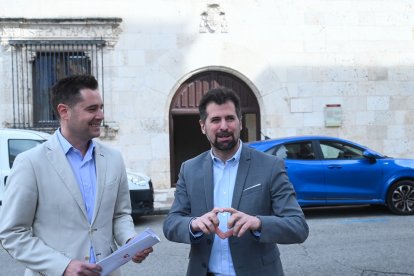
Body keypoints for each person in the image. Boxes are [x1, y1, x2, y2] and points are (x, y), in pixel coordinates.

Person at [0, 75, 153, 276]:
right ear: (64, 111)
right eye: (92, 109)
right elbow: (13, 233)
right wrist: (62, 266)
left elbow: (119, 215)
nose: (100, 115)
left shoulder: (113, 159)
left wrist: (129, 241)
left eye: (101, 107)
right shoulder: (30, 162)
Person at [163, 87, 309, 276]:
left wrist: (258, 223)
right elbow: (171, 223)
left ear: (240, 123)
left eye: (230, 118)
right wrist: (194, 224)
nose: (224, 126)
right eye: (215, 120)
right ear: (202, 126)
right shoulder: (189, 169)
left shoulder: (270, 166)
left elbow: (298, 226)